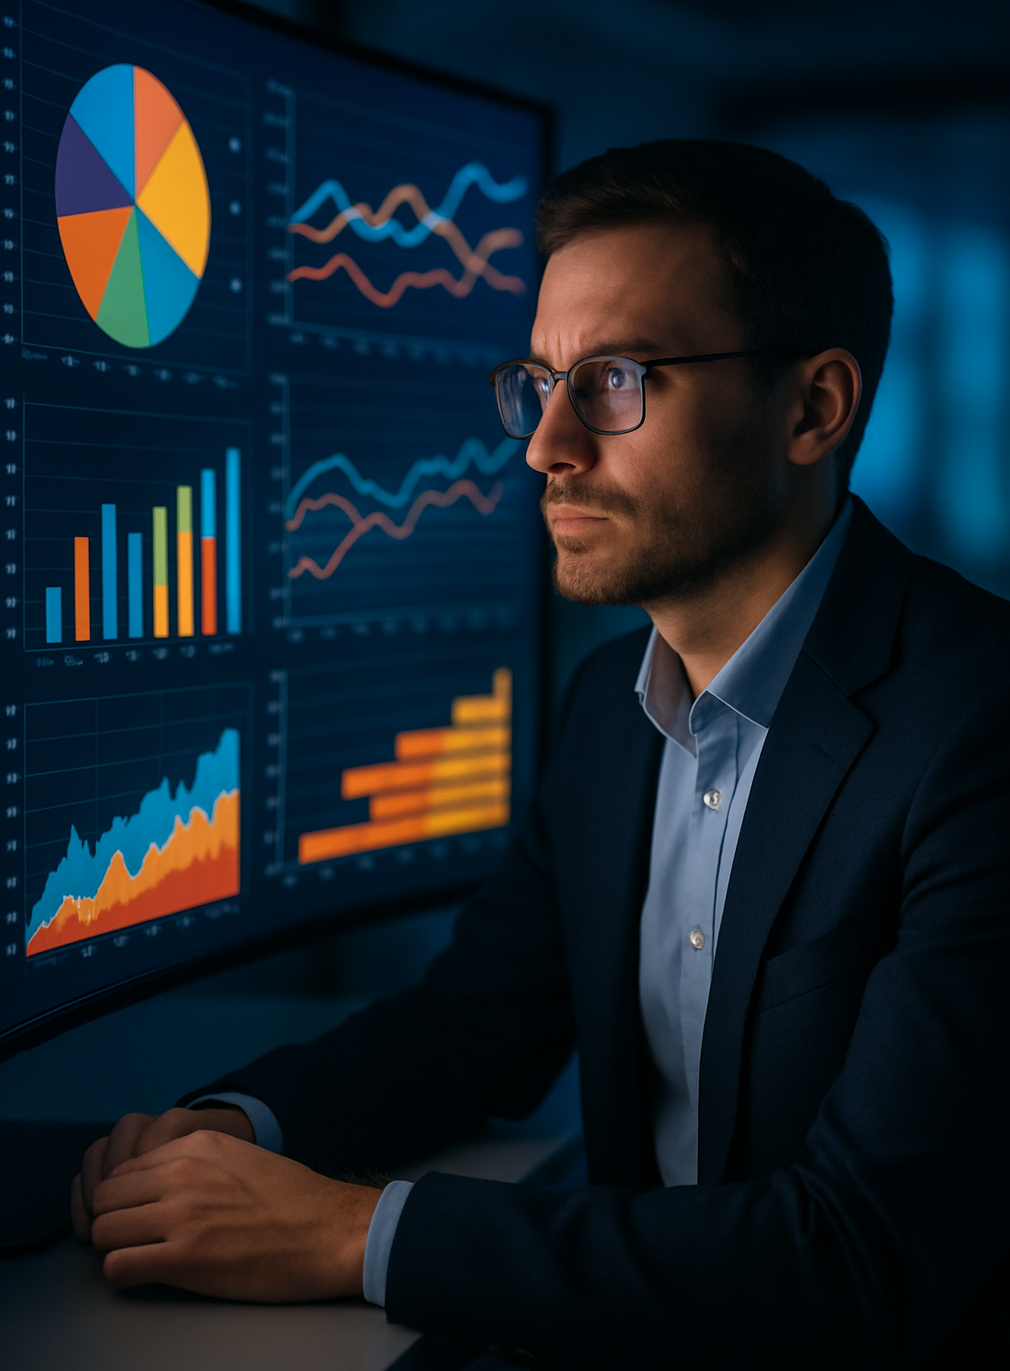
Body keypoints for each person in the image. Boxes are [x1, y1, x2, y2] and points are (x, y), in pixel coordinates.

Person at [73, 141, 1010, 1369]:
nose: (546, 446)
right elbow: (470, 1028)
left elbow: (861, 1254)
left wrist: (355, 1237)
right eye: (540, 380)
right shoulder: (606, 711)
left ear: (812, 408)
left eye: (618, 379)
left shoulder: (977, 727)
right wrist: (228, 1132)